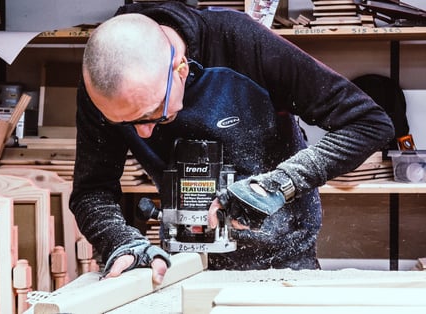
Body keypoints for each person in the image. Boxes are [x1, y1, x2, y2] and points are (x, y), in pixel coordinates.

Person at [70, 0, 395, 284]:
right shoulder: (104, 84)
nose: (142, 134)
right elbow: (92, 190)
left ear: (180, 68)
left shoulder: (241, 42)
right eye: (125, 123)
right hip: (180, 265)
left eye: (153, 113)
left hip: (283, 264)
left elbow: (368, 123)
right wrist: (119, 241)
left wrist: (279, 185)